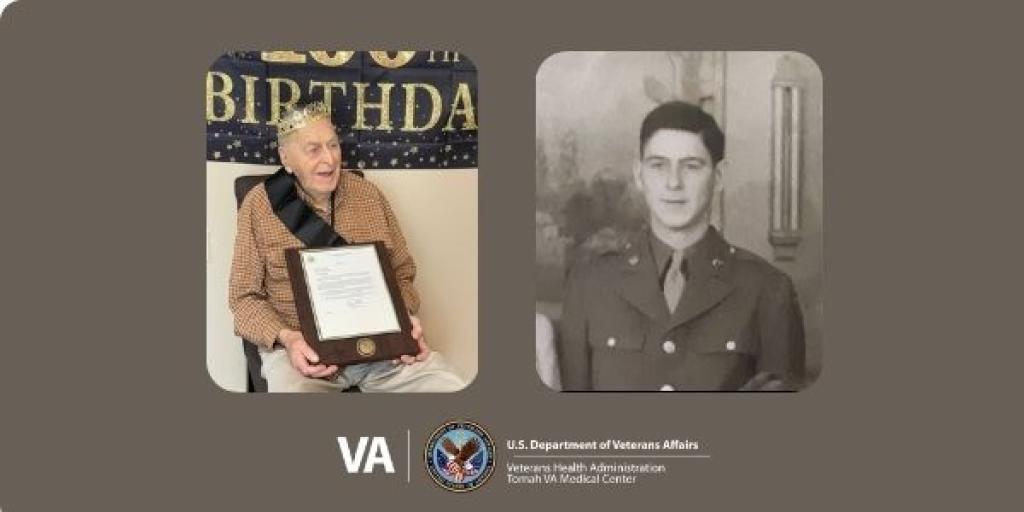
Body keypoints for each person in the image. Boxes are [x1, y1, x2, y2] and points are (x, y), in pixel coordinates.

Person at [557, 101, 805, 391]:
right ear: (639, 175)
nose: (673, 183)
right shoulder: (589, 285)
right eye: (658, 165)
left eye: (691, 166)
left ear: (719, 177)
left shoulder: (767, 290)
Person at [229, 101, 465, 392]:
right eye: (313, 149)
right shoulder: (259, 205)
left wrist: (402, 319)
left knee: (449, 386)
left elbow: (403, 273)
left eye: (333, 145)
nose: (329, 159)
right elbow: (244, 299)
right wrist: (288, 339)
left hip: (381, 349)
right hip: (301, 355)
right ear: (286, 158)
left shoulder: (368, 195)